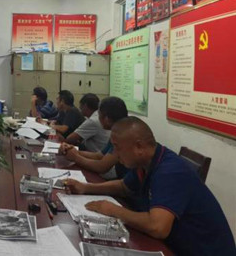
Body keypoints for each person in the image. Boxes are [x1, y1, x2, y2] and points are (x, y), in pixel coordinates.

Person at [64, 117, 236, 256]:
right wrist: (86, 187)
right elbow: (123, 187)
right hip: (169, 245)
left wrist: (113, 210)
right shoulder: (146, 162)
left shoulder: (170, 171)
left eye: (117, 148)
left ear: (139, 146)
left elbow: (158, 227)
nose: (115, 153)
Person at [58, 96, 128, 180]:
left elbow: (102, 167)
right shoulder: (117, 131)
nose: (97, 117)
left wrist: (76, 157)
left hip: (116, 178)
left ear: (107, 119)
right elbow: (98, 156)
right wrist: (73, 151)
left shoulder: (122, 136)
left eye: (99, 114)